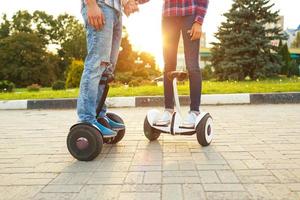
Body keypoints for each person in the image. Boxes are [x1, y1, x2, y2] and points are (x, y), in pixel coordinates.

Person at [77, 0, 140, 137]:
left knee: (106, 69)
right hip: (100, 5)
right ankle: (87, 119)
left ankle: (99, 115)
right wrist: (91, 4)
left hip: (115, 11)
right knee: (96, 64)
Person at [154, 0, 209, 128]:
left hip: (190, 13)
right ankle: (168, 109)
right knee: (168, 65)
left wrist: (198, 21)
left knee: (192, 65)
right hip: (168, 15)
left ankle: (194, 111)